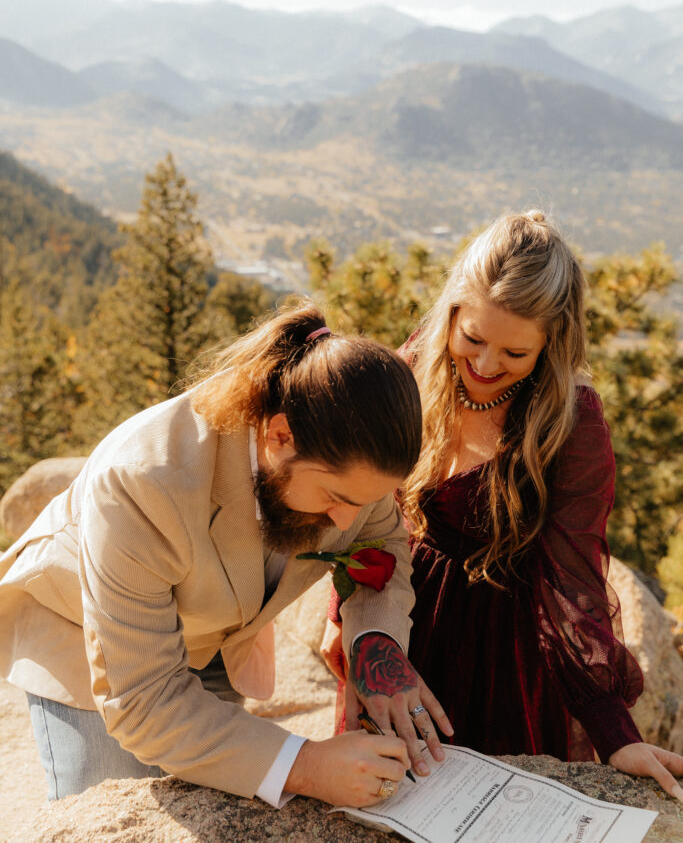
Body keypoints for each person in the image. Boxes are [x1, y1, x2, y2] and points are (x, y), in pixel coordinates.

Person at [0, 301, 452, 808]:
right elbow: (144, 703)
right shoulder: (143, 483)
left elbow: (381, 541)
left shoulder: (342, 464)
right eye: (336, 498)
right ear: (281, 435)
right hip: (82, 634)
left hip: (216, 638)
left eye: (364, 501)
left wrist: (375, 648)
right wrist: (307, 765)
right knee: (112, 808)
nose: (347, 521)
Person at [324, 212, 683, 801]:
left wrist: (614, 733)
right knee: (378, 802)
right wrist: (351, 620)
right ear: (453, 312)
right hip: (404, 616)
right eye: (473, 338)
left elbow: (575, 583)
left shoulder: (572, 422)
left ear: (552, 343)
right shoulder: (414, 366)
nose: (486, 365)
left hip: (506, 653)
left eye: (515, 352)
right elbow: (365, 504)